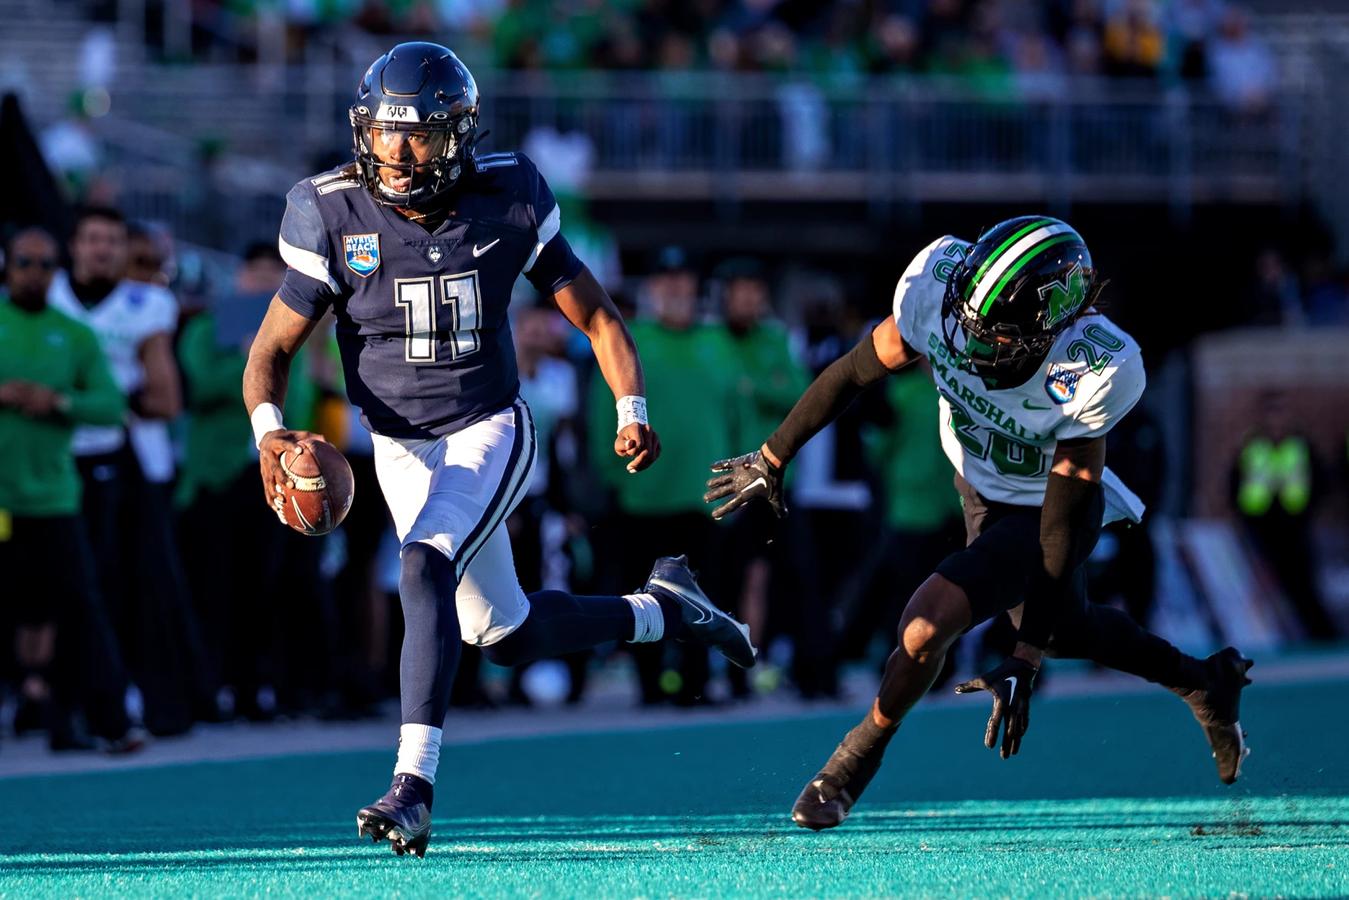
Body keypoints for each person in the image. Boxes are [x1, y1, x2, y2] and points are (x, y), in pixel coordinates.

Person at [242, 42, 755, 858]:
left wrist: (630, 406)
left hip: (488, 425)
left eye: (417, 136)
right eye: (384, 133)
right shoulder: (329, 211)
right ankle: (666, 610)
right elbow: (269, 350)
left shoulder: (508, 196)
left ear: (456, 138)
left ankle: (412, 787)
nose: (397, 154)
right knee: (504, 637)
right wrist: (270, 432)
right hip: (397, 447)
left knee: (422, 565)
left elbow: (597, 316)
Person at [704, 216, 1254, 831]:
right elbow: (856, 369)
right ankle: (1205, 683)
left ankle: (851, 762)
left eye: (995, 336)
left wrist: (1023, 658)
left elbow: (1060, 526)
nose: (971, 346)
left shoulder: (1093, 368)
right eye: (968, 324)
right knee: (1066, 630)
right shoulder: (936, 291)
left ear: (1052, 327)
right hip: (978, 487)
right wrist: (772, 456)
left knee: (925, 625)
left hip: (1048, 505)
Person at [0, 227, 143, 754]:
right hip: (1, 497)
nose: (34, 273)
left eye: (45, 264)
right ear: (7, 266)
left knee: (80, 605)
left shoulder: (75, 335)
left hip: (53, 497)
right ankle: (28, 699)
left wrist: (57, 402)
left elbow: (110, 406)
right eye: (24, 262)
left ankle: (105, 722)